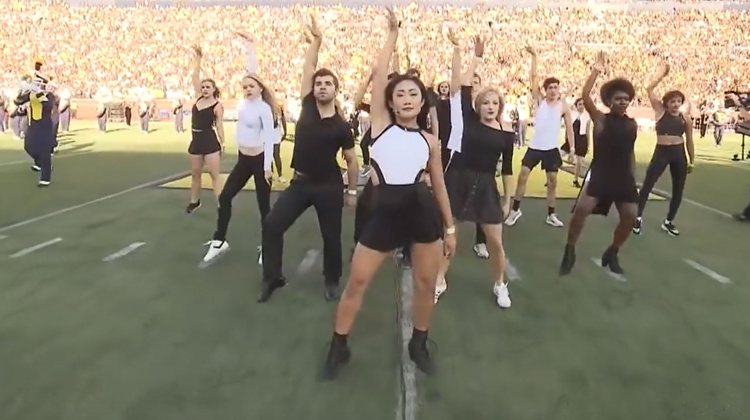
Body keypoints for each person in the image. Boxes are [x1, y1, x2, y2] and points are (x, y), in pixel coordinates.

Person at [322, 8, 455, 380]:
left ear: (422, 102)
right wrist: (392, 35)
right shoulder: (380, 125)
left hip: (421, 209)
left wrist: (450, 228)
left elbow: (439, 184)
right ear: (391, 103)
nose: (407, 98)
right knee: (358, 281)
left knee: (426, 282)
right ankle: (339, 345)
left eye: (414, 93)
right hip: (383, 210)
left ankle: (420, 342)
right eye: (400, 94)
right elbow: (381, 75)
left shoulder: (430, 140)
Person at [259, 15, 359, 303]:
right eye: (319, 84)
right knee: (273, 225)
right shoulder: (307, 106)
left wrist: (352, 192)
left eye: (328, 84)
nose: (322, 87)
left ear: (335, 90)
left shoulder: (342, 125)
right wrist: (317, 41)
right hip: (300, 184)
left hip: (328, 186)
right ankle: (272, 277)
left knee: (331, 237)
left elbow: (352, 161)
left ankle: (331, 280)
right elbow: (308, 67)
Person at [437, 32, 514, 307]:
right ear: (478, 106)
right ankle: (440, 280)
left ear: (500, 107)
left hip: (486, 187)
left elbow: (507, 169)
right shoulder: (468, 118)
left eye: (494, 103)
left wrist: (507, 200)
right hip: (459, 180)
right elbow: (465, 84)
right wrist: (476, 57)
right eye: (485, 102)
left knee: (495, 242)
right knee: (450, 234)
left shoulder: (507, 133)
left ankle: (500, 285)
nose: (489, 106)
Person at [201, 33, 277, 267]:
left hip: (260, 161)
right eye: (244, 86)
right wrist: (249, 47)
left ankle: (268, 246)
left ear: (259, 88)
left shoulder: (264, 108)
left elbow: (270, 138)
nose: (247, 89)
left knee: (264, 208)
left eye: (251, 86)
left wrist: (266, 168)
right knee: (225, 197)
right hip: (244, 160)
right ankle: (220, 240)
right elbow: (249, 70)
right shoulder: (244, 103)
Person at [560, 51, 638, 276]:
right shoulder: (600, 119)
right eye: (618, 98)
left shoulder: (632, 125)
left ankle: (612, 252)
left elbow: (630, 153)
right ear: (610, 101)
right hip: (602, 173)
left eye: (625, 98)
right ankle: (570, 249)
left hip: (623, 176)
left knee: (630, 216)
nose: (622, 101)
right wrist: (596, 69)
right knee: (581, 211)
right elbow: (585, 94)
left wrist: (632, 178)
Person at [505, 45, 574, 228]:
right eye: (550, 87)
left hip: (551, 149)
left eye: (555, 87)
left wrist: (572, 148)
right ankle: (515, 210)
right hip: (535, 147)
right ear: (545, 90)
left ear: (559, 89)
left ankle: (551, 214)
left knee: (552, 182)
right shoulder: (539, 101)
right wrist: (535, 57)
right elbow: (533, 78)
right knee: (523, 176)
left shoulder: (564, 106)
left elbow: (569, 129)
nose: (553, 90)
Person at [633, 63, 695, 237]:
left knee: (678, 189)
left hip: (678, 153)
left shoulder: (686, 118)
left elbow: (689, 140)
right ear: (666, 104)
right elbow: (649, 89)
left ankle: (669, 221)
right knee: (648, 184)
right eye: (672, 101)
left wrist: (692, 160)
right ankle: (637, 216)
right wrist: (661, 76)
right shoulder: (660, 111)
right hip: (662, 152)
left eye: (678, 101)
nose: (675, 104)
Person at [185, 45, 225, 214]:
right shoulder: (198, 99)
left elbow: (220, 125)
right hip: (196, 140)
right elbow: (194, 75)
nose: (205, 89)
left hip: (210, 141)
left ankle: (222, 203)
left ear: (214, 89)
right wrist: (198, 58)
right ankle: (195, 201)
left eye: (208, 87)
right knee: (195, 174)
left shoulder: (217, 105)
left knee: (214, 176)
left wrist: (222, 143)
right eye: (203, 87)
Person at [560, 98, 590, 188]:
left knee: (580, 162)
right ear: (576, 106)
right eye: (580, 104)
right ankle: (551, 175)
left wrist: (588, 145)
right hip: (572, 138)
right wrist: (567, 138)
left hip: (582, 139)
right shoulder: (572, 115)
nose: (582, 106)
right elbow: (568, 128)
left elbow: (587, 131)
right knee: (558, 155)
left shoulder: (587, 116)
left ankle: (575, 180)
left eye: (583, 104)